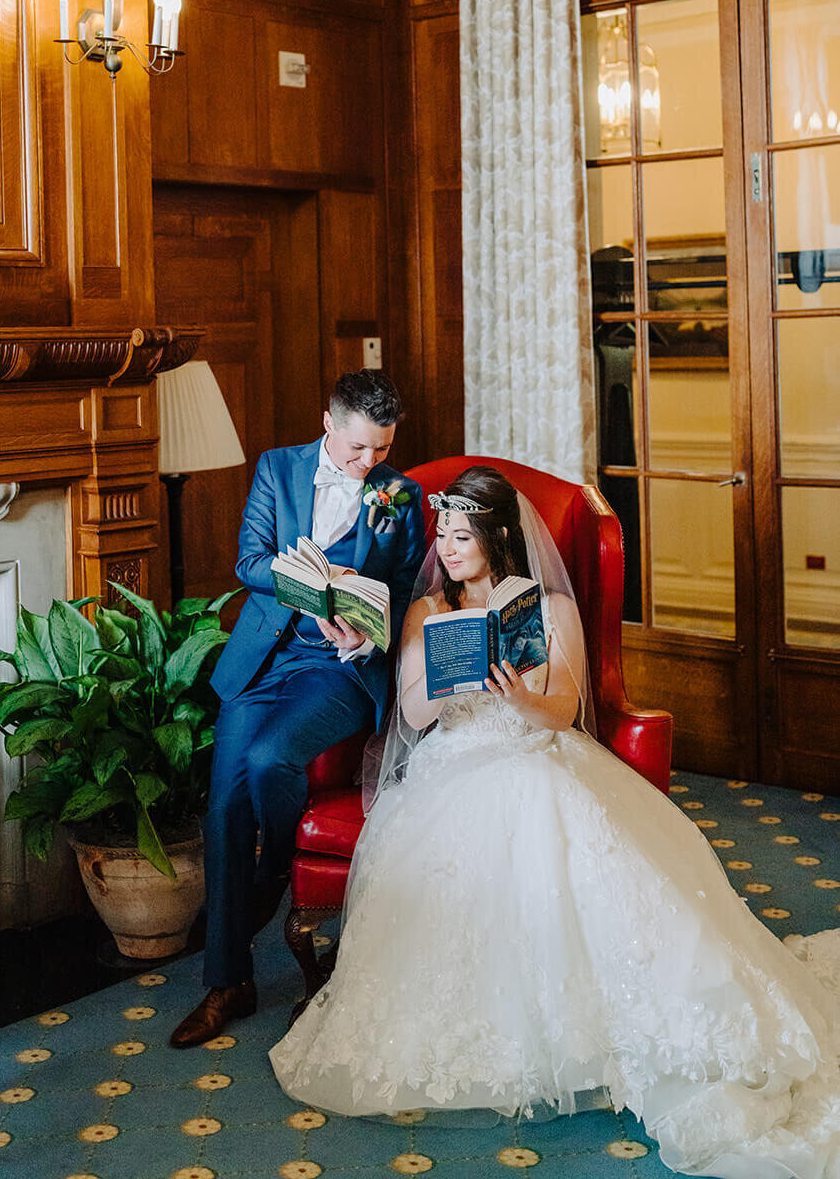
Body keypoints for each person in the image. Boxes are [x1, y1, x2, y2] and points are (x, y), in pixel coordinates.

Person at [271, 465, 840, 1179]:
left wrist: (515, 693)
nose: (447, 549)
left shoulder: (547, 608)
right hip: (454, 760)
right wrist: (450, 686)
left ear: (496, 538)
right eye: (441, 535)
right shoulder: (424, 612)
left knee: (552, 802)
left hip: (535, 746)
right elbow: (412, 716)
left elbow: (564, 710)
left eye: (461, 537)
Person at [170, 370, 426, 1049]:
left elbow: (405, 589)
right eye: (357, 450)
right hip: (261, 659)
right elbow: (247, 561)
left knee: (268, 758)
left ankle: (274, 867)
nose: (369, 464)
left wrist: (363, 623)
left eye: (381, 450)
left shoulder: (402, 495)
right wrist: (307, 583)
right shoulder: (276, 470)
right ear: (328, 424)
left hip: (338, 670)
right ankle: (228, 983)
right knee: (223, 808)